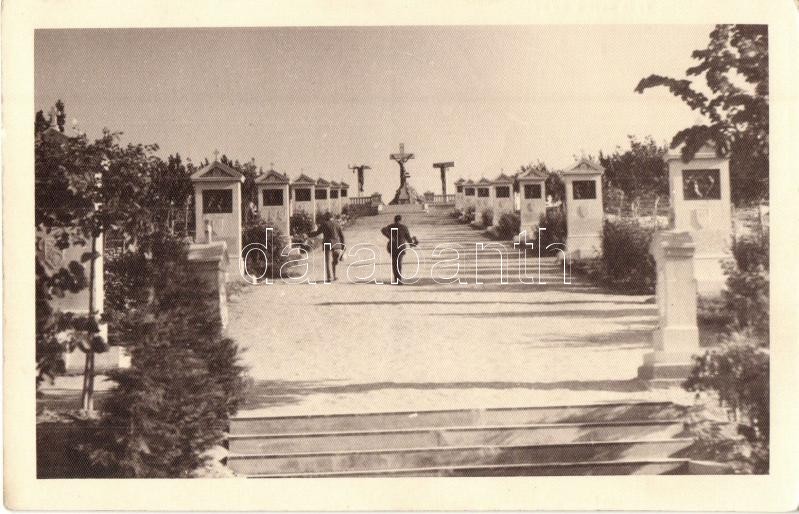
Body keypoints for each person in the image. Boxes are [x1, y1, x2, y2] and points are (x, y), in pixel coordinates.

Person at [307, 212, 345, 283]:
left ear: (326, 217)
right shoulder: (337, 224)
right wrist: (343, 247)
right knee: (335, 261)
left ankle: (329, 277)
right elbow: (342, 236)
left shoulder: (324, 224)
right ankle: (334, 276)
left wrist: (308, 234)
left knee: (327, 261)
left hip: (327, 243)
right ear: (332, 217)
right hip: (336, 244)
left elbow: (316, 233)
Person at [381, 214, 415, 285]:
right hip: (401, 247)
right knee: (399, 263)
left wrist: (390, 237)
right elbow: (408, 238)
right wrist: (412, 244)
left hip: (393, 246)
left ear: (394, 220)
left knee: (394, 263)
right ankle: (399, 280)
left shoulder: (390, 226)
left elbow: (383, 230)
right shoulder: (404, 227)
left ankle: (396, 279)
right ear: (400, 220)